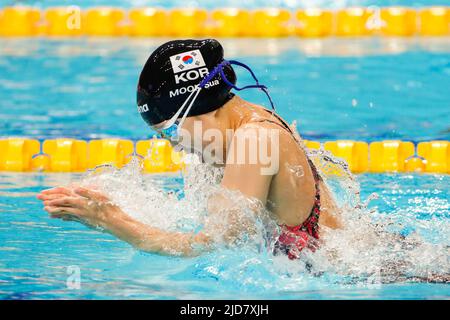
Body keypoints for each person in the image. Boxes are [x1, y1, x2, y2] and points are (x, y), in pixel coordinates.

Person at [37, 39, 341, 260]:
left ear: (199, 110)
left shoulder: (255, 139)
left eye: (170, 131)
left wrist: (111, 221)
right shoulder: (247, 125)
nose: (174, 145)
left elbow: (216, 246)